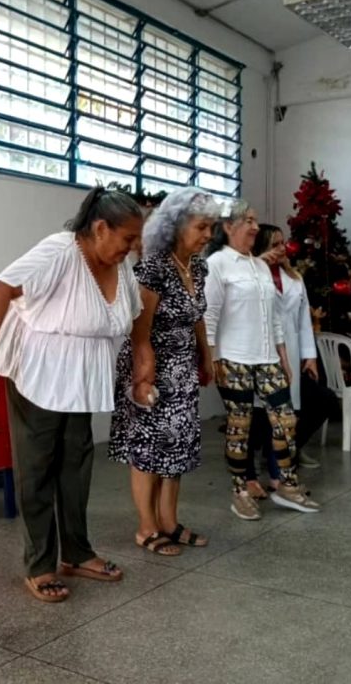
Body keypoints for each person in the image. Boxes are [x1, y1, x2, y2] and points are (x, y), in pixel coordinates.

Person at [0, 187, 144, 603]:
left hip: (83, 374)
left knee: (76, 466)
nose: (134, 247)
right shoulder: (60, 250)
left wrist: (142, 356)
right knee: (38, 467)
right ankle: (40, 563)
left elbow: (135, 313)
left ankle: (77, 553)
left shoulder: (119, 265)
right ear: (100, 228)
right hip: (40, 371)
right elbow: (1, 287)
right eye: (128, 238)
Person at [109, 188, 218, 557]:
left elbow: (196, 315)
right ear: (175, 226)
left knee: (177, 449)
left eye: (211, 228)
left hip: (183, 369)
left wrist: (206, 354)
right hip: (152, 368)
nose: (208, 236)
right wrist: (144, 375)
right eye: (202, 227)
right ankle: (146, 527)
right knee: (148, 449)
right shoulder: (153, 267)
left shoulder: (198, 267)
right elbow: (141, 327)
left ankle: (170, 522)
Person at [204, 200, 320, 520]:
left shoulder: (259, 265)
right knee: (240, 428)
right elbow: (209, 316)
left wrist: (283, 355)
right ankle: (240, 490)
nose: (256, 226)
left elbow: (276, 317)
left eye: (256, 220)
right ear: (229, 226)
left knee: (286, 420)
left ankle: (286, 485)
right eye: (249, 221)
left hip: (268, 358)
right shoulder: (217, 264)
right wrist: (212, 359)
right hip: (234, 359)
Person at [253, 224, 336, 471]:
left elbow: (303, 319)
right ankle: (266, 456)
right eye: (274, 244)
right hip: (264, 348)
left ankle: (291, 449)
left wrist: (309, 356)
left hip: (292, 346)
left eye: (282, 243)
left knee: (307, 403)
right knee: (265, 407)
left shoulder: (294, 277)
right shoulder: (253, 276)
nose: (282, 249)